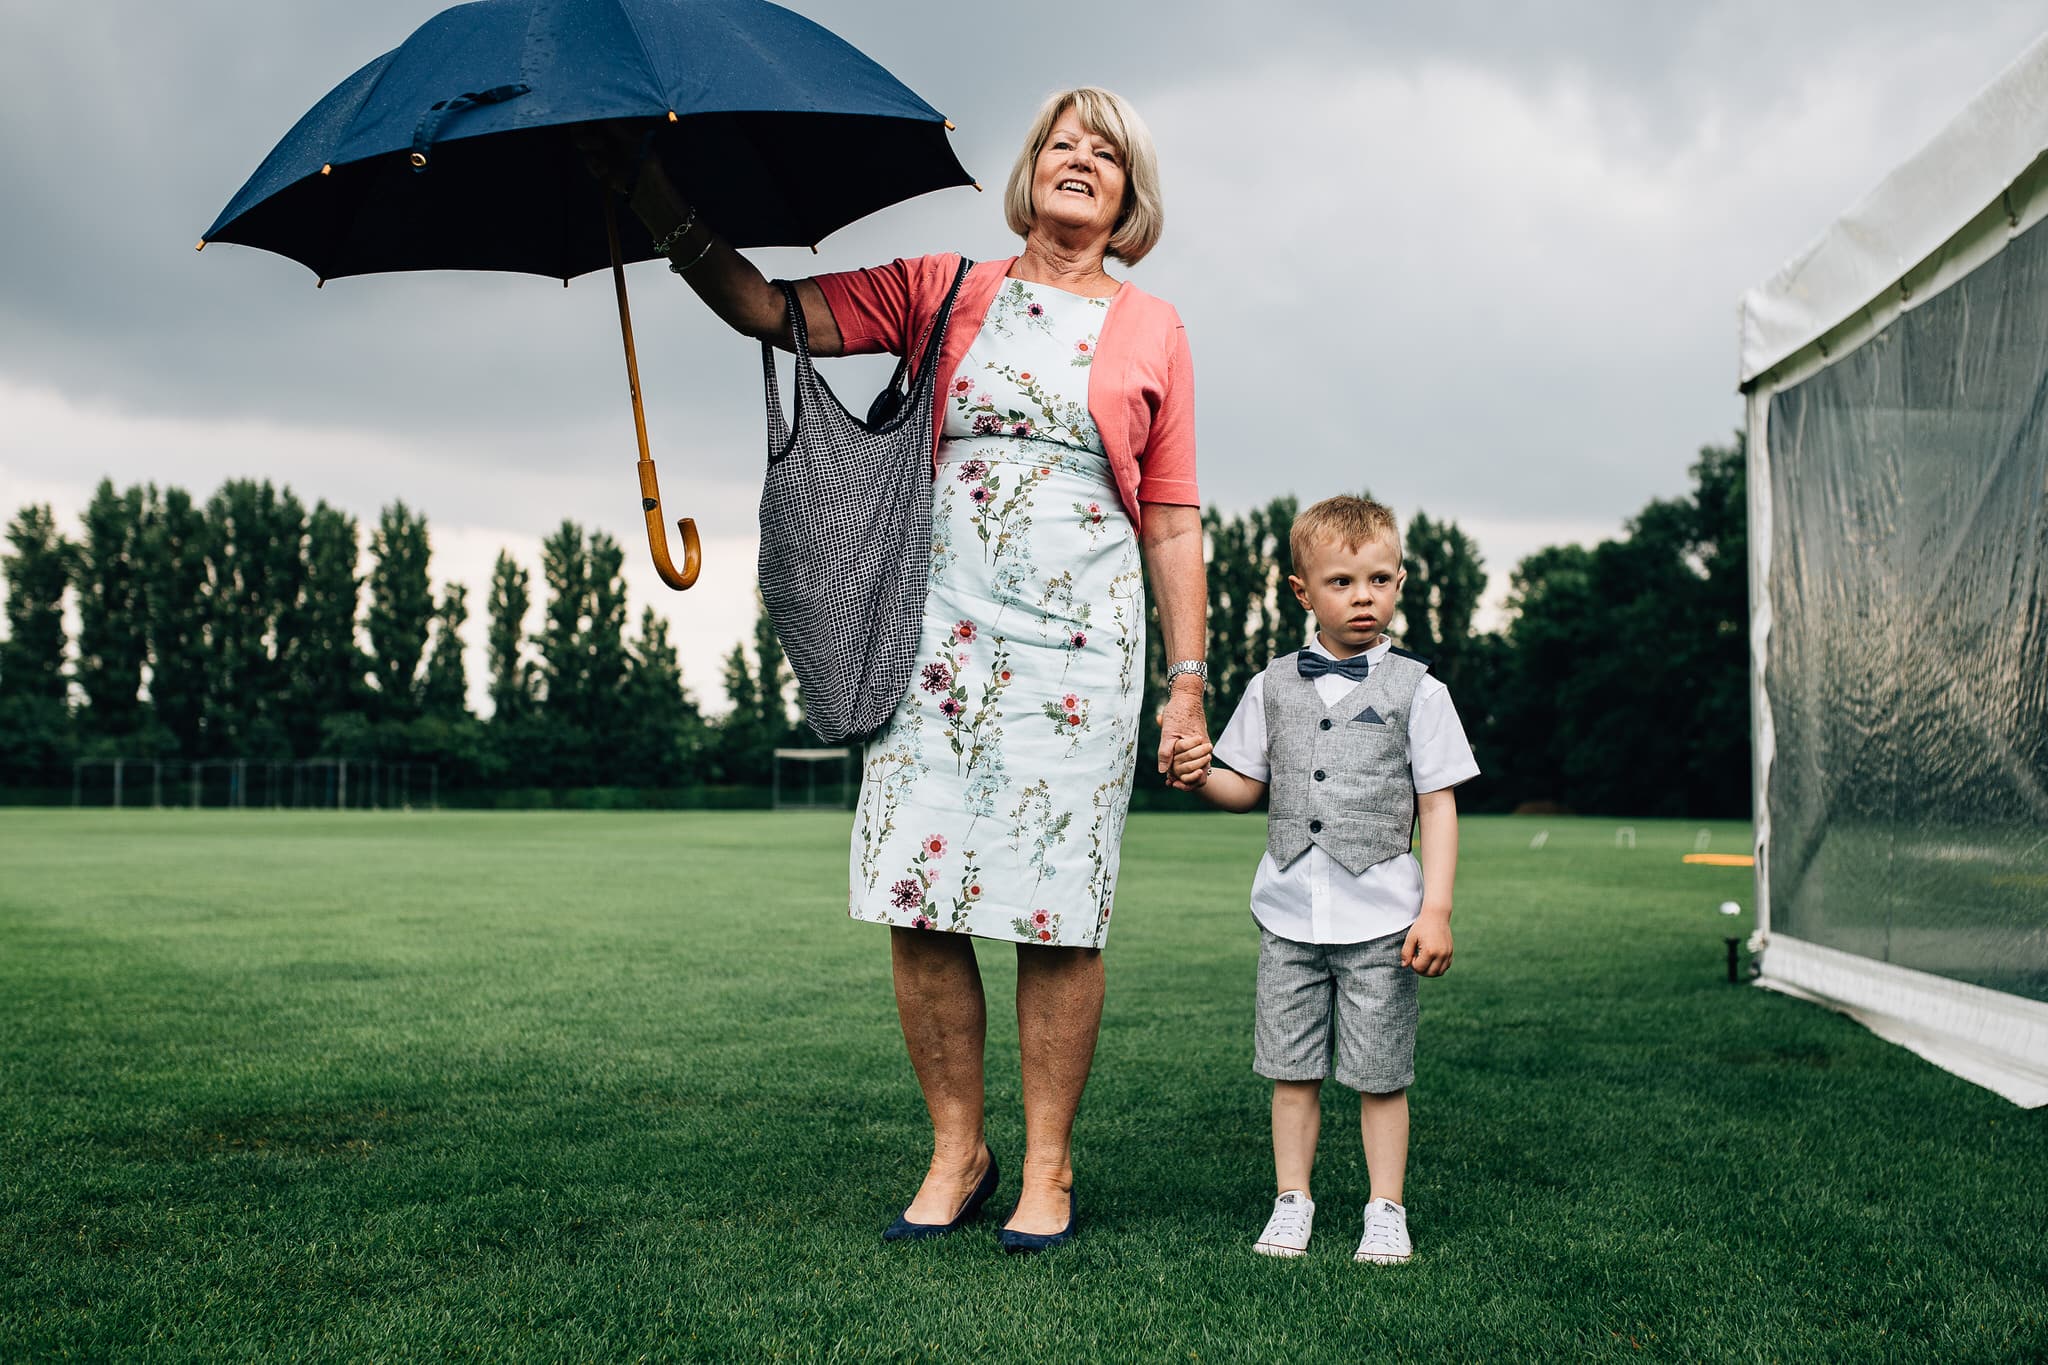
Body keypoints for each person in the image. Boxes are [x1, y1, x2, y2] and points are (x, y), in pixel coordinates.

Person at [587, 87, 1209, 1252]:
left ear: (1129, 197)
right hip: (934, 636)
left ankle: (1047, 1168)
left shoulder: (1152, 328)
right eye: (1060, 143)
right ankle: (954, 1151)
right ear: (1028, 173)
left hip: (1080, 651)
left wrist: (1186, 678)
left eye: (1106, 153)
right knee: (920, 899)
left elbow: (1170, 520)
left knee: (1056, 913)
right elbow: (768, 310)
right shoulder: (942, 289)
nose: (1080, 160)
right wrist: (657, 204)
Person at [1170, 495, 1476, 1264]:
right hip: (1289, 915)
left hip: (1383, 919)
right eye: (1342, 581)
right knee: (1291, 1069)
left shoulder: (1420, 690)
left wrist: (1434, 908)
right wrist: (1198, 772)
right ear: (1303, 591)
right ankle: (1292, 1200)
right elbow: (1246, 788)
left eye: (1379, 579)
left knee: (1380, 1074)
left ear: (1400, 582)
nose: (1363, 596)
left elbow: (1437, 807)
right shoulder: (1271, 685)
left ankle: (1384, 1208)